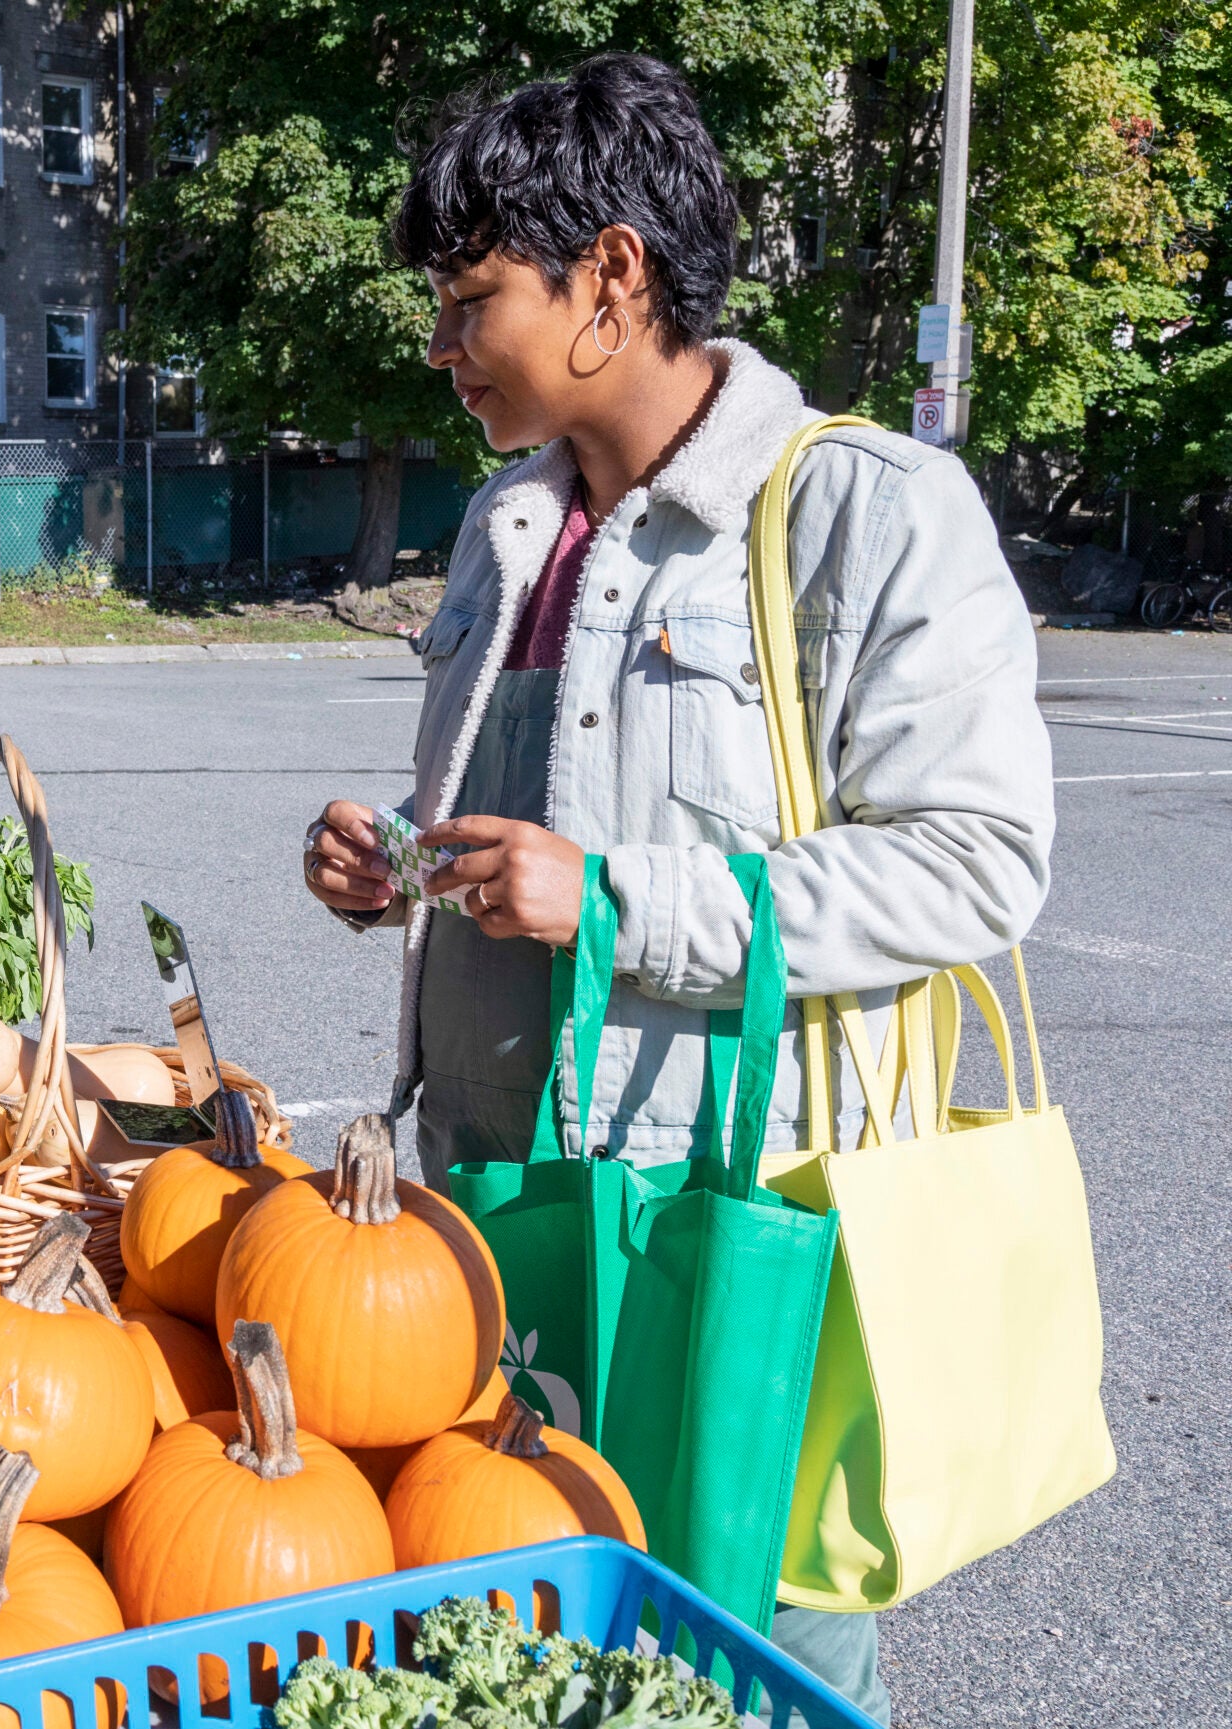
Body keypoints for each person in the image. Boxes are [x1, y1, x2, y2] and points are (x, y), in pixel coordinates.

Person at [301, 56, 1052, 1723]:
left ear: (613, 278)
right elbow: (528, 845)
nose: (437, 343)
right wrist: (397, 873)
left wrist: (618, 900)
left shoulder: (868, 513)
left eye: (469, 295)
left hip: (728, 1223)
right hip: (498, 1205)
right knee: (523, 1634)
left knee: (747, 1653)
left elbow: (980, 861)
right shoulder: (509, 518)